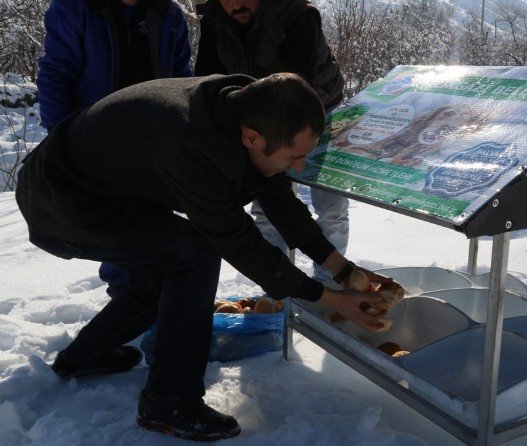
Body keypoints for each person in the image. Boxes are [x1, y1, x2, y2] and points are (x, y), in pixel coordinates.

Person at [16, 73, 389, 441]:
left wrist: (343, 270)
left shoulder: (248, 111)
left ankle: (84, 357)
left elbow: (282, 204)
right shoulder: (193, 145)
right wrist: (332, 299)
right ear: (251, 138)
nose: (299, 168)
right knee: (193, 254)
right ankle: (169, 402)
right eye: (294, 157)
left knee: (166, 267)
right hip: (61, 202)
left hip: (102, 188)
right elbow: (239, 242)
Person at [36, 0, 193, 300]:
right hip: (95, 143)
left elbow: (182, 78)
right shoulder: (75, 9)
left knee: (158, 231)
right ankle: (127, 309)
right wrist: (58, 141)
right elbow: (56, 75)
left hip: (155, 142)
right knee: (119, 235)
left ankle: (153, 308)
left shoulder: (168, 13)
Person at [194, 0, 349, 283]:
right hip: (256, 120)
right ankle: (277, 287)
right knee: (266, 206)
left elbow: (296, 91)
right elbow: (207, 84)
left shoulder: (297, 15)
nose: (236, 4)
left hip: (319, 110)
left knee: (330, 206)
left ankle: (332, 283)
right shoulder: (215, 20)